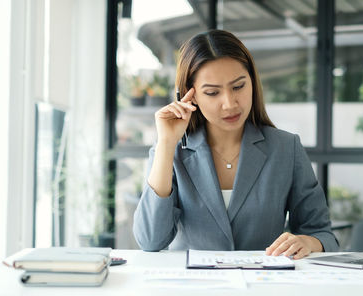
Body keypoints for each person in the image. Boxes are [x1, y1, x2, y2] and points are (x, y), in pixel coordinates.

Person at [133, 29, 338, 259]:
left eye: (239, 86)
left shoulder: (286, 148)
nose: (229, 104)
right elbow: (150, 241)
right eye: (212, 92)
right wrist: (167, 143)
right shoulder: (169, 150)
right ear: (190, 97)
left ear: (252, 82)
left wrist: (306, 242)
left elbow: (323, 234)